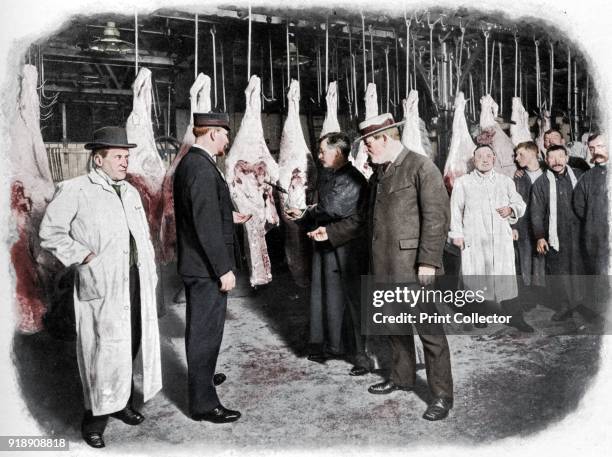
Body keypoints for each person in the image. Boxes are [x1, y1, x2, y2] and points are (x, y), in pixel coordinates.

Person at [39, 126, 162, 448]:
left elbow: (140, 237)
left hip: (134, 279)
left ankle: (120, 404)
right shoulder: (75, 190)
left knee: (132, 341)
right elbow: (50, 233)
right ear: (98, 160)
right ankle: (93, 420)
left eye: (126, 156)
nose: (125, 162)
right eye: (119, 157)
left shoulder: (131, 192)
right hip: (103, 282)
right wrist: (83, 255)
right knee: (102, 353)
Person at [358, 113, 453, 421]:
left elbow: (437, 218)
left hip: (412, 268)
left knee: (430, 334)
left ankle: (441, 396)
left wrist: (428, 261)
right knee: (393, 326)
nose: (367, 149)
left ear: (386, 138)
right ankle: (401, 377)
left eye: (370, 143)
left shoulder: (421, 166)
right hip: (384, 266)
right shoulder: (380, 173)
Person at [173, 112, 250, 423]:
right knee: (205, 333)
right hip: (205, 268)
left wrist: (228, 217)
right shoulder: (202, 167)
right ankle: (204, 404)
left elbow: (200, 212)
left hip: (197, 264)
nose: (228, 140)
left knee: (203, 331)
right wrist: (223, 269)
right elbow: (204, 225)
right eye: (225, 134)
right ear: (214, 133)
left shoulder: (193, 163)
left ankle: (201, 380)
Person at [286, 131, 372, 376]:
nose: (319, 155)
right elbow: (323, 208)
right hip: (327, 244)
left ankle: (361, 357)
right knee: (327, 297)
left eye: (323, 151)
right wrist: (303, 214)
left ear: (337, 152)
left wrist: (306, 213)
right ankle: (333, 345)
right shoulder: (330, 175)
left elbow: (332, 209)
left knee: (352, 301)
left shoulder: (352, 178)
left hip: (347, 248)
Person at [449, 144, 528, 331]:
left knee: (506, 277)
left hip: (500, 238)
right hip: (474, 238)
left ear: (494, 158)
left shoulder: (505, 181)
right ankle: (478, 314)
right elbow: (455, 211)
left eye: (488, 156)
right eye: (479, 156)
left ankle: (515, 317)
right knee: (476, 277)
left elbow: (519, 203)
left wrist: (511, 209)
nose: (484, 159)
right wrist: (457, 235)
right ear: (473, 160)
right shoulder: (463, 182)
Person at [531, 144, 585, 321]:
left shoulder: (580, 176)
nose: (556, 162)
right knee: (559, 272)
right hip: (555, 235)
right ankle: (565, 305)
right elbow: (536, 211)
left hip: (579, 233)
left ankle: (582, 304)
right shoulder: (541, 182)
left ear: (567, 158)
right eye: (552, 158)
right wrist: (540, 237)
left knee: (579, 269)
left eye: (560, 157)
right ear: (546, 160)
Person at [509, 141, 547, 329]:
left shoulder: (548, 172)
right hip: (524, 225)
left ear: (533, 154)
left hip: (544, 226)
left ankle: (545, 296)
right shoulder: (518, 177)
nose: (517, 158)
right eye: (516, 155)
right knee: (524, 261)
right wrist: (514, 225)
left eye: (520, 155)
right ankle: (528, 299)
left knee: (542, 261)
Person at [573, 133, 609, 320]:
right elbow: (579, 205)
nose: (596, 152)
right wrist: (594, 223)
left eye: (601, 146)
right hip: (596, 237)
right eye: (592, 148)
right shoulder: (587, 177)